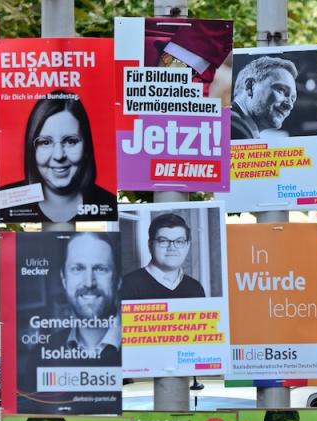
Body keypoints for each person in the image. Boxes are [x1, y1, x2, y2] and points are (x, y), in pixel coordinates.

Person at [21, 233, 121, 392]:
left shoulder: (139, 347)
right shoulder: (39, 356)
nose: (89, 282)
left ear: (118, 280)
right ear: (64, 279)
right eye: (78, 268)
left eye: (101, 269)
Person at [18, 91, 116, 222]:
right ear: (31, 151)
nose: (58, 156)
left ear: (87, 147)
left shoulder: (109, 204)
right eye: (45, 142)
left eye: (70, 141)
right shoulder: (8, 204)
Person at [120, 213, 206, 300]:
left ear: (187, 246)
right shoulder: (126, 286)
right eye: (163, 241)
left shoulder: (196, 288)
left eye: (179, 241)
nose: (171, 248)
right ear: (150, 245)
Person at [230, 56, 298, 140]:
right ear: (250, 86)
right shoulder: (233, 126)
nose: (289, 105)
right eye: (281, 90)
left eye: (292, 99)